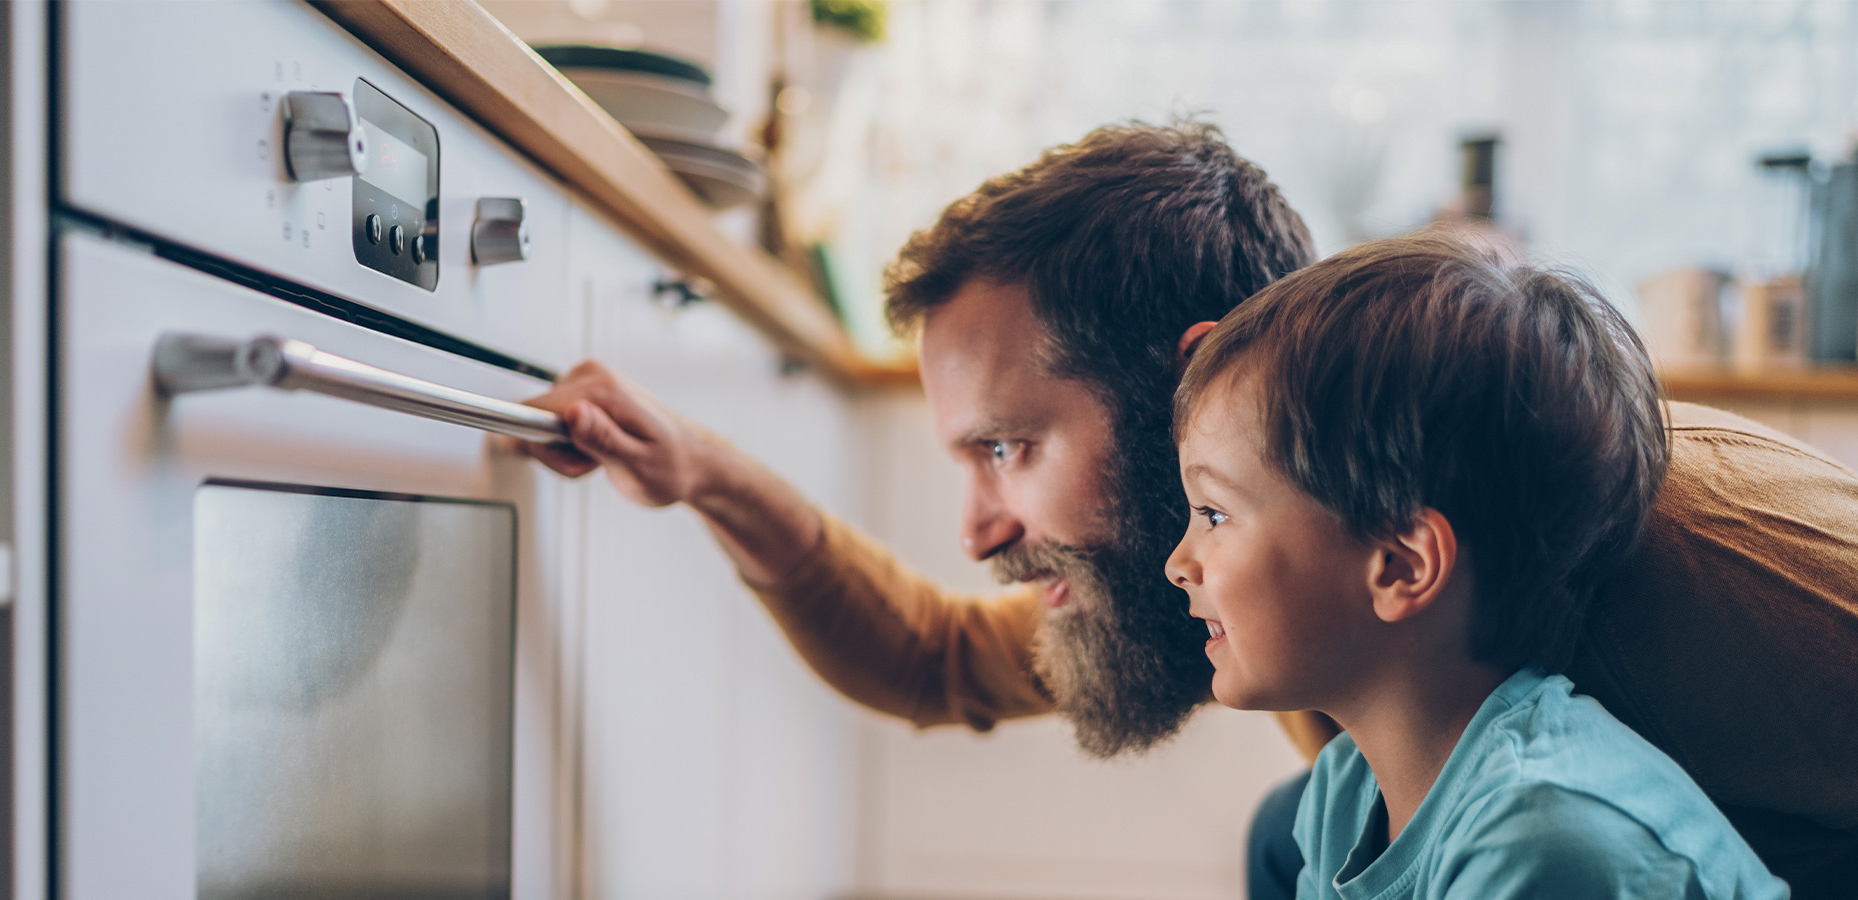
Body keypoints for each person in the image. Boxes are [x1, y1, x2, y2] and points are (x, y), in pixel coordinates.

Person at [515, 121, 1858, 897]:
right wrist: (704, 472)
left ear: (1188, 383)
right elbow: (929, 657)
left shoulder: (1692, 562)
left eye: (1008, 447)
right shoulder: (1274, 568)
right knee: (1296, 831)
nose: (982, 527)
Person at [1166, 231, 1785, 898]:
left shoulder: (1543, 841)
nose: (1179, 562)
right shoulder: (1347, 785)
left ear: (1401, 566)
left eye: (1215, 515)